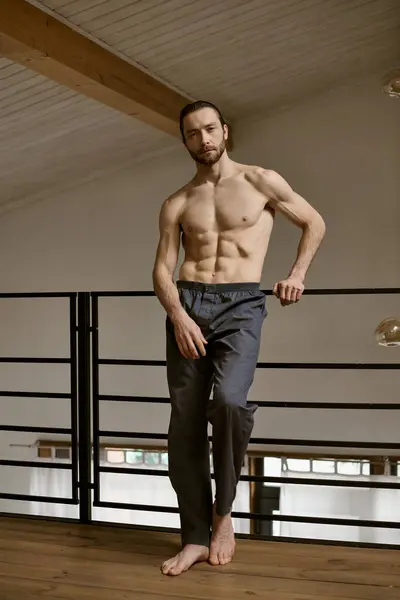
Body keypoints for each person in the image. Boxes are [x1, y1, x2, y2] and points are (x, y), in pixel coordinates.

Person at [152, 100, 326, 576]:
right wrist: (178, 315)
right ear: (185, 140)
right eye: (192, 133)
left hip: (242, 303)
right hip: (188, 305)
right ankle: (193, 537)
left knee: (229, 401)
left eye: (210, 129)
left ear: (224, 130)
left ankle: (223, 514)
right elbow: (162, 269)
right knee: (184, 423)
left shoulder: (260, 181)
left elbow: (314, 221)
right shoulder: (177, 201)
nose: (203, 139)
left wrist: (297, 274)